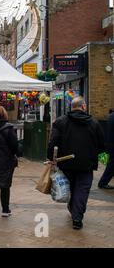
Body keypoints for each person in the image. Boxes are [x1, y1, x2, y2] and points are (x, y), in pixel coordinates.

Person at [48, 97, 105, 230]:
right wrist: (92, 153)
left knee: (72, 187)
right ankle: (77, 217)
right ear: (83, 107)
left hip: (66, 163)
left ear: (71, 107)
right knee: (82, 189)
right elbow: (102, 145)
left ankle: (74, 210)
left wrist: (51, 157)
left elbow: (53, 142)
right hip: (87, 164)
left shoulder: (60, 122)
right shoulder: (94, 123)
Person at [98, 109, 114, 190]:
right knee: (111, 166)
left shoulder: (110, 116)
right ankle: (103, 182)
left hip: (110, 144)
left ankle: (103, 182)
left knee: (111, 165)